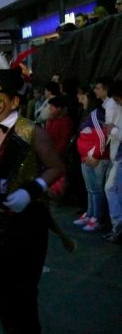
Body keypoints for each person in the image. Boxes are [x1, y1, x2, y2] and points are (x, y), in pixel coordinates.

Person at [0, 53, 64, 333]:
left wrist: (33, 189)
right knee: (1, 293)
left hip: (27, 224)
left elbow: (56, 167)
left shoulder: (32, 131)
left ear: (14, 102)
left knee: (23, 296)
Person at [73, 86, 108, 232]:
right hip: (86, 158)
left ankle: (96, 218)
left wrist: (96, 156)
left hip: (95, 159)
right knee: (91, 189)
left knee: (97, 189)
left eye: (85, 97)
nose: (82, 99)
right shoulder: (88, 114)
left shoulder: (95, 114)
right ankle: (90, 213)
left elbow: (102, 136)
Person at [102, 80, 122, 243]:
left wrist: (112, 130)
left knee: (111, 189)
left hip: (120, 159)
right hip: (117, 157)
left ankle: (118, 225)